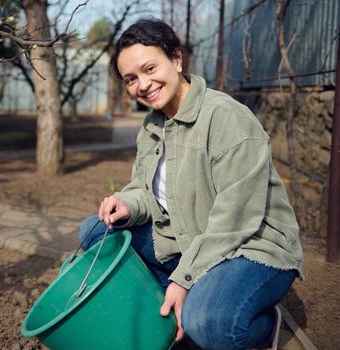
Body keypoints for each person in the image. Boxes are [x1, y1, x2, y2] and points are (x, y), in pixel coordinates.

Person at [78, 18, 303, 350]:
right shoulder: (152, 126)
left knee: (209, 323)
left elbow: (235, 219)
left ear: (177, 60)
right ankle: (172, 304)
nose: (143, 84)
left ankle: (262, 326)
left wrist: (184, 279)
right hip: (189, 236)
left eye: (150, 67)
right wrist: (127, 203)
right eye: (131, 79)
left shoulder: (225, 116)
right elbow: (146, 190)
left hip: (250, 244)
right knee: (96, 233)